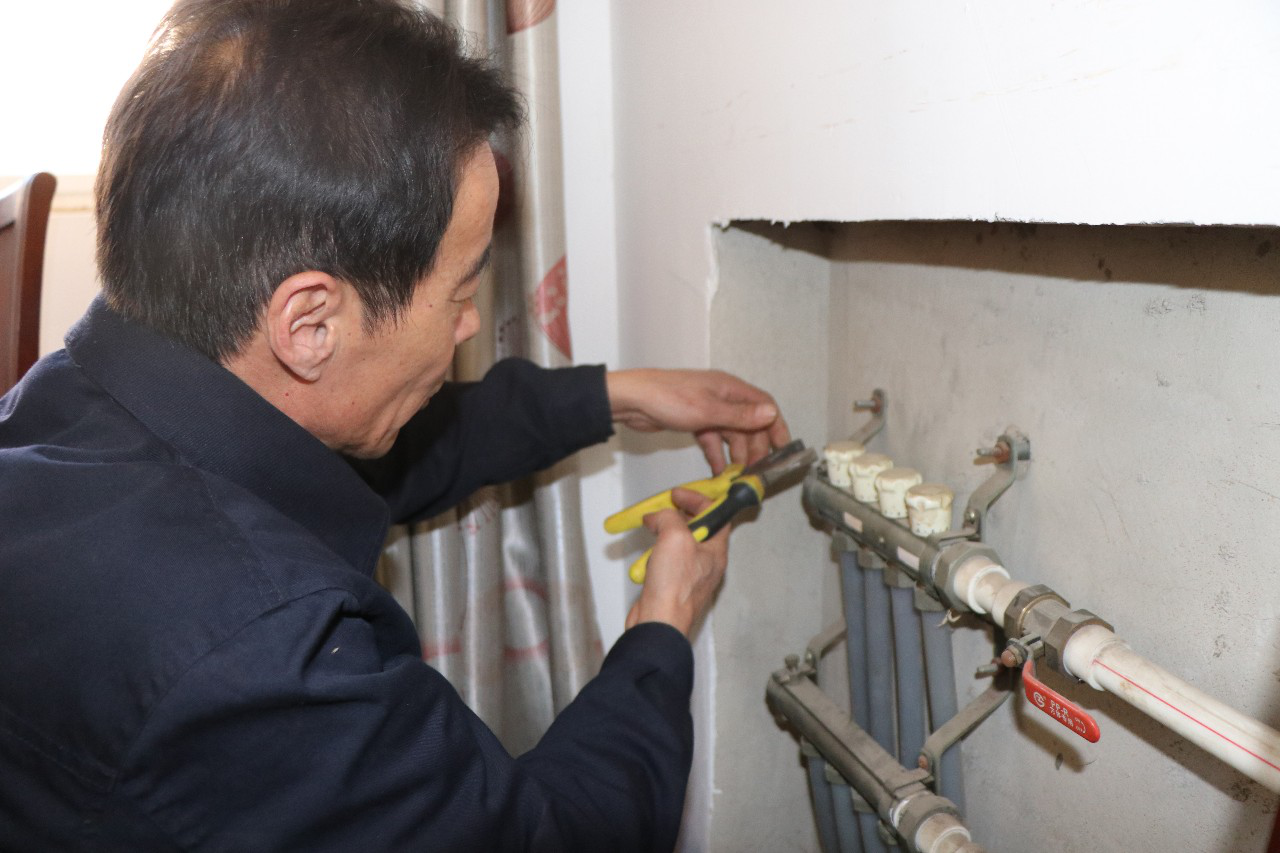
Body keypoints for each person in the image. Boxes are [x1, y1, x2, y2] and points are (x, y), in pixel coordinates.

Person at [0, 1, 789, 850]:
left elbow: (363, 456)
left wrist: (611, 396)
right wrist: (662, 627)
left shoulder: (75, 405)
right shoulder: (267, 658)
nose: (469, 325)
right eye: (460, 293)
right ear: (311, 323)